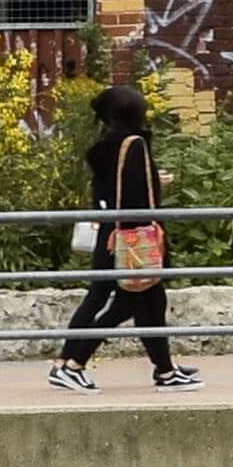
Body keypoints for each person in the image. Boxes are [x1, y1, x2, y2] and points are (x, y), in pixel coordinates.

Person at [52, 80, 196, 393]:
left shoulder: (108, 144)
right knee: (127, 304)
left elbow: (110, 189)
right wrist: (157, 186)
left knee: (151, 302)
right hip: (133, 239)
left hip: (114, 234)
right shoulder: (134, 144)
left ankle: (166, 370)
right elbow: (135, 193)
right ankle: (74, 363)